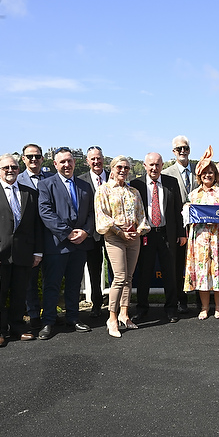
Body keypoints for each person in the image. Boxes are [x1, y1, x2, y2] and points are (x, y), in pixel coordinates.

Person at [0, 154, 43, 346]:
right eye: (6, 168)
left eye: (13, 167)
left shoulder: (30, 193)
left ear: (18, 169)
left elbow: (36, 225)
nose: (10, 170)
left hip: (23, 253)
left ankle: (18, 327)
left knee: (19, 293)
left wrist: (38, 252)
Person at [37, 147, 96, 340]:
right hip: (57, 245)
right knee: (52, 285)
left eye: (69, 161)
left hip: (80, 244)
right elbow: (46, 212)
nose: (67, 165)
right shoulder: (46, 185)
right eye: (62, 162)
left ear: (74, 163)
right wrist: (67, 233)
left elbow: (91, 213)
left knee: (74, 284)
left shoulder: (84, 186)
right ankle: (48, 321)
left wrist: (86, 231)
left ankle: (73, 317)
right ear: (55, 164)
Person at [95, 156, 150, 338]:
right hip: (115, 237)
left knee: (128, 277)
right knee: (119, 277)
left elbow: (141, 215)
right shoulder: (103, 190)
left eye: (126, 167)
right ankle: (111, 317)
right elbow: (103, 217)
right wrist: (120, 232)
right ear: (112, 168)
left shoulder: (133, 191)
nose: (123, 170)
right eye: (119, 167)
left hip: (133, 237)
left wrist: (139, 231)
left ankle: (124, 314)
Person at [130, 152, 187, 323]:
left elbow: (178, 210)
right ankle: (142, 308)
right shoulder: (136, 184)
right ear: (145, 165)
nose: (154, 168)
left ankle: (171, 308)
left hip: (167, 234)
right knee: (144, 273)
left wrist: (181, 233)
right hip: (145, 235)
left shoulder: (171, 182)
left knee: (170, 273)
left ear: (162, 166)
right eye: (151, 165)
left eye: (157, 164)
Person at [184, 146, 219, 320]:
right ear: (199, 175)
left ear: (215, 174)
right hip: (200, 240)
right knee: (203, 274)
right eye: (204, 173)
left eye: (211, 172)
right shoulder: (193, 195)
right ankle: (204, 308)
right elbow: (186, 216)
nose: (208, 175)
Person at [162, 135, 195, 314]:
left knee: (199, 265)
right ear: (174, 152)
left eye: (185, 148)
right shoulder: (166, 173)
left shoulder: (200, 170)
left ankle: (201, 300)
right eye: (179, 149)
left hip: (199, 228)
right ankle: (180, 300)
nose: (182, 151)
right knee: (177, 266)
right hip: (178, 229)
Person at [16, 143, 46, 330]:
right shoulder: (15, 180)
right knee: (30, 281)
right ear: (23, 159)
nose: (33, 159)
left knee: (51, 279)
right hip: (28, 238)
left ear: (42, 158)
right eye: (30, 156)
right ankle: (34, 315)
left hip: (51, 236)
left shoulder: (53, 178)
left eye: (37, 156)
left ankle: (50, 313)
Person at [78, 145, 109, 317]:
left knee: (115, 271)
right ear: (87, 161)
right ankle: (96, 304)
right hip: (91, 234)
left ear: (103, 158)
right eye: (93, 159)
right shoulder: (81, 181)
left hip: (113, 233)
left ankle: (116, 304)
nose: (96, 161)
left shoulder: (113, 177)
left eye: (99, 158)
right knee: (94, 270)